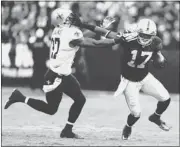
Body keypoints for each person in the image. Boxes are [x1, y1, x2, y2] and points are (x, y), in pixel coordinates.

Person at [4, 8, 122, 139]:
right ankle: (20, 97)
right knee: (51, 109)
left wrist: (98, 28)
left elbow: (82, 35)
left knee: (80, 100)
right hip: (55, 77)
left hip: (62, 74)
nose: (75, 18)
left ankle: (67, 130)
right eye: (71, 17)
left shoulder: (59, 30)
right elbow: (94, 43)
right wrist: (115, 40)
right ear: (65, 20)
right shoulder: (71, 33)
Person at [79, 18, 172, 140]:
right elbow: (105, 32)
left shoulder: (156, 42)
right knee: (136, 113)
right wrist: (85, 24)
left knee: (166, 99)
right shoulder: (128, 39)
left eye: (148, 36)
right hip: (129, 81)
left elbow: (158, 55)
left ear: (153, 35)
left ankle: (155, 117)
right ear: (138, 32)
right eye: (143, 34)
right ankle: (128, 126)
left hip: (145, 77)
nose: (145, 38)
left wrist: (160, 59)